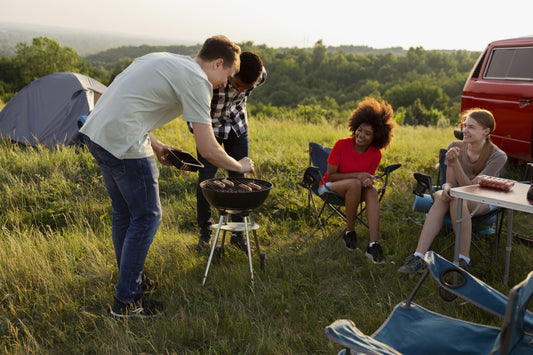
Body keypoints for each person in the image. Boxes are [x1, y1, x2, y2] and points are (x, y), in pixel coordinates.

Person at [78, 35, 255, 318]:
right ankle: (127, 301)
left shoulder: (162, 59)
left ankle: (131, 283)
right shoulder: (198, 82)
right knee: (148, 216)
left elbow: (126, 102)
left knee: (124, 214)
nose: (226, 83)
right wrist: (240, 165)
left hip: (97, 135)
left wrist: (157, 144)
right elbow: (208, 148)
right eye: (227, 75)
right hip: (124, 144)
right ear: (218, 63)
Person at [399, 108, 507, 274]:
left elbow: (471, 189)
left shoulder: (497, 156)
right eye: (464, 126)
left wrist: (455, 164)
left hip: (482, 199)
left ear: (486, 131)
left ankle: (463, 261)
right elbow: (449, 182)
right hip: (456, 195)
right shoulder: (455, 146)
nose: (465, 130)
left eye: (471, 127)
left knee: (458, 199)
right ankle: (418, 257)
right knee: (444, 195)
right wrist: (448, 188)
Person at [190, 51, 267, 252]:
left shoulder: (260, 76)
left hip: (237, 127)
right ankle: (205, 235)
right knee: (206, 182)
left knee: (240, 180)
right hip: (211, 130)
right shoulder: (211, 79)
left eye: (245, 89)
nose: (239, 90)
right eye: (237, 84)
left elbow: (251, 83)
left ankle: (237, 234)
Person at [318, 97, 396, 263]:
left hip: (354, 190)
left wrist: (367, 181)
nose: (361, 135)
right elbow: (330, 176)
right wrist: (358, 177)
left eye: (367, 133)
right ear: (355, 127)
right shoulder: (341, 145)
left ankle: (373, 245)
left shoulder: (375, 154)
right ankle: (349, 232)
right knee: (354, 183)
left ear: (376, 137)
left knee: (372, 191)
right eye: (360, 130)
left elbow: (365, 179)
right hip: (328, 186)